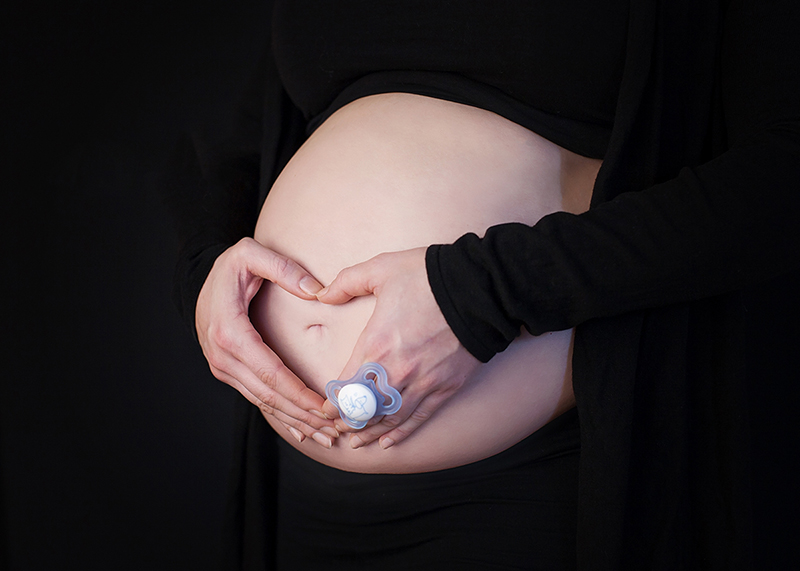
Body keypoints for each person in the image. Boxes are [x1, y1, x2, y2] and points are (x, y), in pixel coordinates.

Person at [165, 1, 800, 568]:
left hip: (545, 480)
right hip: (306, 496)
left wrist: (485, 293)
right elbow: (240, 142)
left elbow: (779, 180)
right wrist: (207, 273)